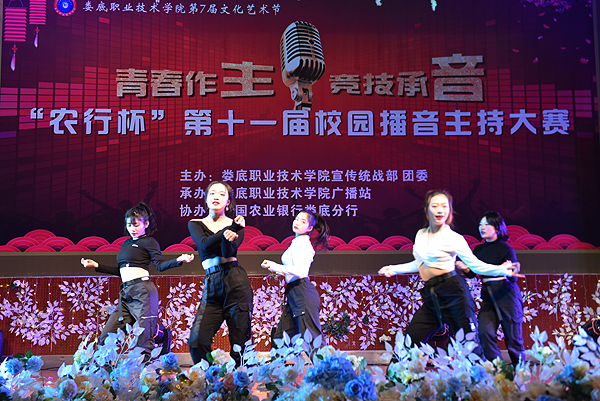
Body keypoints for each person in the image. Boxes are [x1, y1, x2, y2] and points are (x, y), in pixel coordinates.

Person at [378, 190, 520, 353]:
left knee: (469, 345)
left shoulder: (454, 238)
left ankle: (485, 370)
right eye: (435, 206)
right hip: (432, 295)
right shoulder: (421, 234)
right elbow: (420, 263)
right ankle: (397, 370)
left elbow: (475, 265)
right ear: (426, 210)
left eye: (444, 206)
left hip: (454, 294)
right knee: (410, 342)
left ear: (449, 211)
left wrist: (501, 269)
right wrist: (394, 269)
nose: (440, 210)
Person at [81, 202, 194, 358]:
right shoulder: (126, 244)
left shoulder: (149, 242)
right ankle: (105, 371)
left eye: (136, 225)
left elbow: (160, 266)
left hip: (142, 292)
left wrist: (178, 260)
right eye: (129, 225)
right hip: (126, 294)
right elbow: (121, 271)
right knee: (106, 336)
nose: (132, 228)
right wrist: (96, 265)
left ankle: (148, 365)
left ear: (146, 224)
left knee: (143, 340)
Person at [187, 181, 253, 366]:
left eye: (222, 194)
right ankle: (212, 376)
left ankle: (240, 382)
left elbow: (227, 252)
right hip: (212, 284)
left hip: (235, 282)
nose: (216, 197)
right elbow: (204, 244)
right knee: (197, 341)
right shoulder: (195, 224)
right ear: (206, 199)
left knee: (240, 345)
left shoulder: (236, 225)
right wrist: (230, 230)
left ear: (228, 201)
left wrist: (231, 233)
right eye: (212, 193)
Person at [456, 211, 524, 366]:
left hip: (507, 294)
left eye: (487, 224)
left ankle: (521, 371)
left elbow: (513, 278)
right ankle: (498, 368)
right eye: (480, 224)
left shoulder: (506, 249)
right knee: (484, 332)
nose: (482, 227)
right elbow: (472, 274)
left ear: (497, 228)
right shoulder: (478, 250)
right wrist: (465, 268)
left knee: (513, 339)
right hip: (488, 294)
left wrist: (510, 269)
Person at [261, 210, 329, 344]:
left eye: (303, 221)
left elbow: (299, 271)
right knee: (282, 340)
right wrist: (273, 268)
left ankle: (325, 359)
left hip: (302, 293)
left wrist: (274, 266)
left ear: (310, 228)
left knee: (312, 340)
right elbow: (292, 271)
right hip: (294, 293)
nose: (297, 222)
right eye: (297, 219)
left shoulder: (301, 243)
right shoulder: (297, 242)